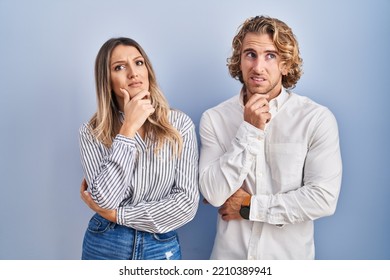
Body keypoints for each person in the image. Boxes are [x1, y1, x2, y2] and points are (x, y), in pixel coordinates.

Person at [199, 15, 342, 260]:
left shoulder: (316, 119)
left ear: (286, 65)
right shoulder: (214, 119)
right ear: (239, 60)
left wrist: (249, 207)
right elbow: (213, 192)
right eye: (250, 54)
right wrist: (249, 130)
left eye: (270, 56)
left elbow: (323, 198)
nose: (258, 67)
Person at [78, 37, 199, 260]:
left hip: (160, 244)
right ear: (107, 79)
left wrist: (117, 215)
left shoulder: (179, 125)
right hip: (105, 244)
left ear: (148, 70)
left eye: (139, 62)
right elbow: (104, 200)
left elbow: (186, 204)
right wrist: (128, 129)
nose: (133, 73)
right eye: (119, 67)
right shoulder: (91, 131)